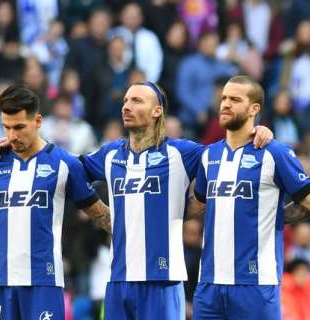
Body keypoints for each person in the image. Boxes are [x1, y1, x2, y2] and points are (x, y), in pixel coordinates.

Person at [78, 81, 273, 319]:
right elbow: (68, 173)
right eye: (125, 101)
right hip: (118, 280)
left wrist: (260, 131)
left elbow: (225, 153)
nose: (126, 107)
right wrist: (101, 213)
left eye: (136, 101)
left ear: (157, 111)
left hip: (164, 280)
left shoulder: (182, 153)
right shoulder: (109, 154)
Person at [0, 84, 111, 319]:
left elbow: (98, 212)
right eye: (6, 128)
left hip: (44, 281)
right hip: (0, 281)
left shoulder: (64, 163)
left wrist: (131, 234)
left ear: (38, 121)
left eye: (19, 127)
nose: (12, 136)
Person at [188, 75, 310, 319]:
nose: (225, 104)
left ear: (254, 109)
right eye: (224, 98)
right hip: (208, 284)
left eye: (235, 99)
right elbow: (199, 205)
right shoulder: (208, 155)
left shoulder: (274, 153)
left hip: (256, 284)